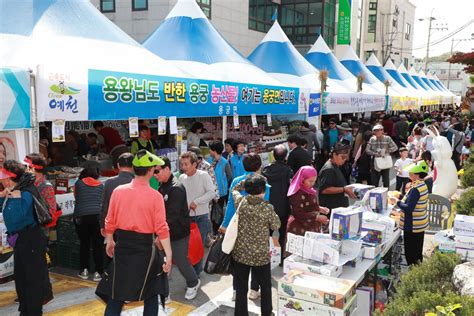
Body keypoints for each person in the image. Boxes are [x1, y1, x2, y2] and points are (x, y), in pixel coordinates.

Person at [97, 150, 171, 315]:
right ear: (150, 171)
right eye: (155, 169)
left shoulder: (118, 191)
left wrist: (109, 240)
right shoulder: (155, 196)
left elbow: (110, 220)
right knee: (151, 293)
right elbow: (162, 228)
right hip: (146, 248)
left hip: (123, 246)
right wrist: (169, 254)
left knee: (116, 294)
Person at [219, 153, 271, 301]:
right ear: (259, 166)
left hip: (238, 227)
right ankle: (254, 290)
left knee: (238, 260)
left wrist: (224, 225)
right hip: (258, 228)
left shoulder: (236, 181)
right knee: (257, 259)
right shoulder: (264, 183)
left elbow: (230, 205)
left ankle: (237, 291)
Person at [0, 160, 49, 315]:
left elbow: (18, 218)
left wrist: (13, 197)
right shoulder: (14, 190)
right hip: (21, 240)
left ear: (8, 179)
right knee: (21, 279)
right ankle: (25, 310)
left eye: (3, 178)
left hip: (30, 239)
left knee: (32, 280)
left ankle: (33, 311)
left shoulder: (25, 192)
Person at [231, 174, 280, 316]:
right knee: (265, 286)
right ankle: (267, 313)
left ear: (247, 189)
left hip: (241, 253)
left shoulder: (240, 202)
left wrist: (244, 183)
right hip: (261, 255)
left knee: (241, 287)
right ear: (262, 191)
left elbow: (234, 189)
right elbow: (276, 225)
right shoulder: (267, 208)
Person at [155, 156, 201, 300]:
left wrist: (159, 235)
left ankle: (193, 283)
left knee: (181, 261)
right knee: (162, 263)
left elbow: (172, 216)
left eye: (157, 171)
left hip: (178, 233)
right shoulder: (162, 185)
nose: (154, 174)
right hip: (165, 232)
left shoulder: (176, 188)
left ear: (167, 169)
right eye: (153, 171)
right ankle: (164, 292)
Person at [23, 154, 57, 304]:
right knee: (29, 264)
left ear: (34, 168)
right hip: (28, 229)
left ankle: (45, 293)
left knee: (39, 264)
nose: (24, 168)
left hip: (40, 230)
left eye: (27, 165)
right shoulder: (26, 184)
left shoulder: (46, 187)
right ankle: (30, 292)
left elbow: (51, 211)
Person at [179, 152, 216, 275]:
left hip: (201, 216)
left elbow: (212, 193)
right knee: (188, 246)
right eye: (182, 164)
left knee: (198, 246)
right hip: (186, 217)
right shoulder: (181, 178)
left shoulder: (203, 175)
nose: (183, 167)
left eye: (186, 164)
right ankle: (192, 272)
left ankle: (196, 273)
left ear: (194, 164)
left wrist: (197, 201)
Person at [262, 145, 293, 264]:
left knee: (267, 232)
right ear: (285, 156)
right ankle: (280, 258)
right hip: (283, 206)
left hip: (268, 206)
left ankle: (266, 257)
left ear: (273, 155)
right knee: (282, 232)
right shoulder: (288, 171)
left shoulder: (266, 170)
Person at [74, 166, 104, 282]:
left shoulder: (78, 183)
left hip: (81, 217)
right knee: (98, 245)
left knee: (84, 244)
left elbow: (76, 197)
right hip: (97, 217)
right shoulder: (101, 185)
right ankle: (98, 272)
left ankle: (84, 270)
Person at [396, 160, 429, 266]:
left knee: (411, 254)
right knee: (418, 252)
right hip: (420, 224)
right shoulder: (422, 185)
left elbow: (409, 208)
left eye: (411, 172)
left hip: (412, 225)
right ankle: (418, 270)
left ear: (417, 174)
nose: (409, 174)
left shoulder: (415, 189)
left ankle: (413, 272)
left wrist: (397, 202)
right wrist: (402, 198)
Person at [287, 166, 330, 236]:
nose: (312, 184)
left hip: (310, 227)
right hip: (299, 230)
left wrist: (319, 208)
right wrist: (317, 217)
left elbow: (307, 206)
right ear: (302, 179)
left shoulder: (309, 190)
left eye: (314, 181)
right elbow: (298, 213)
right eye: (310, 181)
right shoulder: (298, 193)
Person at [99, 153, 135, 234]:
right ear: (133, 166)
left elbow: (104, 206)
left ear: (118, 165)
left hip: (115, 227)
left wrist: (102, 225)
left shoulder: (109, 182)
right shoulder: (138, 182)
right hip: (135, 227)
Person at [318, 142, 356, 211]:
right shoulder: (329, 169)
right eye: (343, 157)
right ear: (335, 155)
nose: (345, 159)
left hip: (338, 208)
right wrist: (344, 189)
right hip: (331, 209)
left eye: (346, 157)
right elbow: (324, 189)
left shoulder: (336, 166)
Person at [208, 141, 232, 234]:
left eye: (210, 149)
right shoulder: (209, 161)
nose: (209, 151)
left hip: (222, 193)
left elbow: (229, 176)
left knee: (219, 212)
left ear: (214, 151)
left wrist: (224, 186)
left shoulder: (224, 162)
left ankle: (218, 231)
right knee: (213, 212)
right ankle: (215, 231)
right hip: (211, 191)